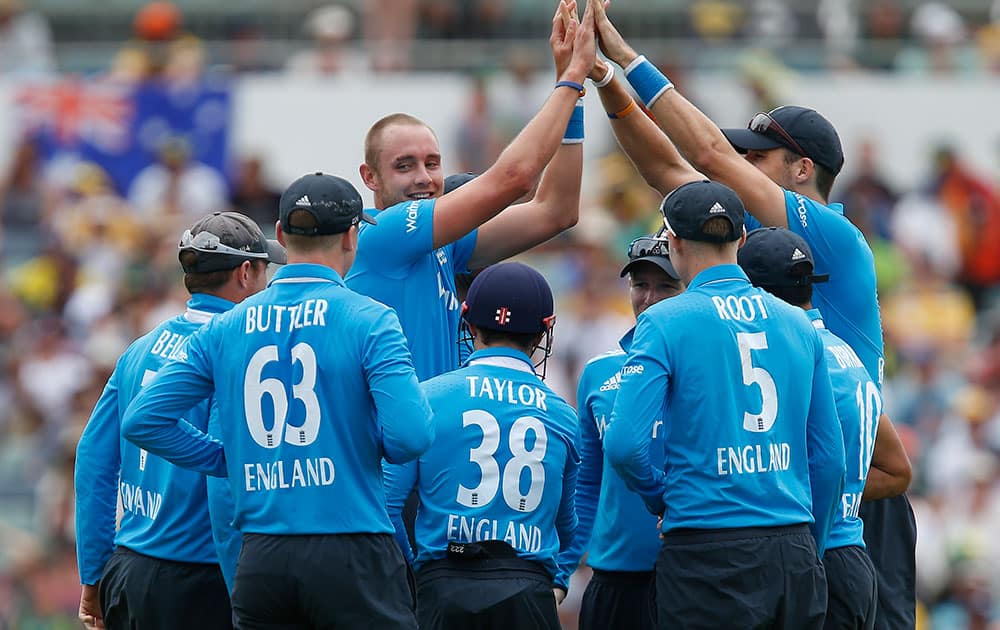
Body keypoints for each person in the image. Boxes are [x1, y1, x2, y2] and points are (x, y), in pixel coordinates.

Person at [586, 3, 915, 625]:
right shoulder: (754, 239)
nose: (741, 169)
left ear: (802, 170)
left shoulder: (835, 241)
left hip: (839, 516)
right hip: (794, 505)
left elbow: (709, 155)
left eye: (757, 160)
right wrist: (607, 85)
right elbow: (667, 170)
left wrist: (627, 59)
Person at [121, 173, 434, 628]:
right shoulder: (371, 319)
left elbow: (144, 420)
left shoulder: (225, 327)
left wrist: (228, 459)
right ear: (352, 236)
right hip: (351, 546)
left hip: (262, 558)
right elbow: (411, 437)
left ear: (283, 236)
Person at [604, 180, 846, 629]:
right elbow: (830, 461)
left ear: (672, 242)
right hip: (791, 547)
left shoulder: (663, 319)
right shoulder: (798, 323)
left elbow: (623, 445)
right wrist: (809, 545)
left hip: (707, 549)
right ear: (741, 240)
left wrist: (661, 498)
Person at [346, 0, 596, 381]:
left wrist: (573, 97)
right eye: (404, 165)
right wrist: (571, 78)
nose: (423, 178)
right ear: (370, 177)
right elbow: (516, 179)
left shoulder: (442, 243)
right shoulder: (384, 233)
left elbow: (556, 211)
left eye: (432, 163)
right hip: (393, 441)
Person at [75, 211, 286, 630]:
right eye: (264, 271)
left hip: (129, 570)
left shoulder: (140, 348)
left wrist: (93, 574)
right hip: (205, 577)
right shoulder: (236, 352)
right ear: (245, 273)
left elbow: (93, 461)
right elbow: (224, 487)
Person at [383, 262, 580, 630]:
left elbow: (390, 505)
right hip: (526, 586)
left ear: (468, 323)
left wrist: (419, 568)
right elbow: (568, 526)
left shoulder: (428, 396)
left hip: (444, 582)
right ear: (544, 331)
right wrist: (558, 576)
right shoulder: (562, 415)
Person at [738, 227, 913, 630]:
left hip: (815, 555)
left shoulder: (789, 356)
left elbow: (828, 464)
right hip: (853, 556)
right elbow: (897, 470)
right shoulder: (843, 350)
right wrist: (844, 496)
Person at [558, 230, 684, 630]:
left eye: (666, 286)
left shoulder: (710, 369)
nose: (648, 298)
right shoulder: (599, 372)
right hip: (615, 578)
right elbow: (587, 484)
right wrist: (562, 572)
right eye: (639, 285)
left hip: (692, 572)